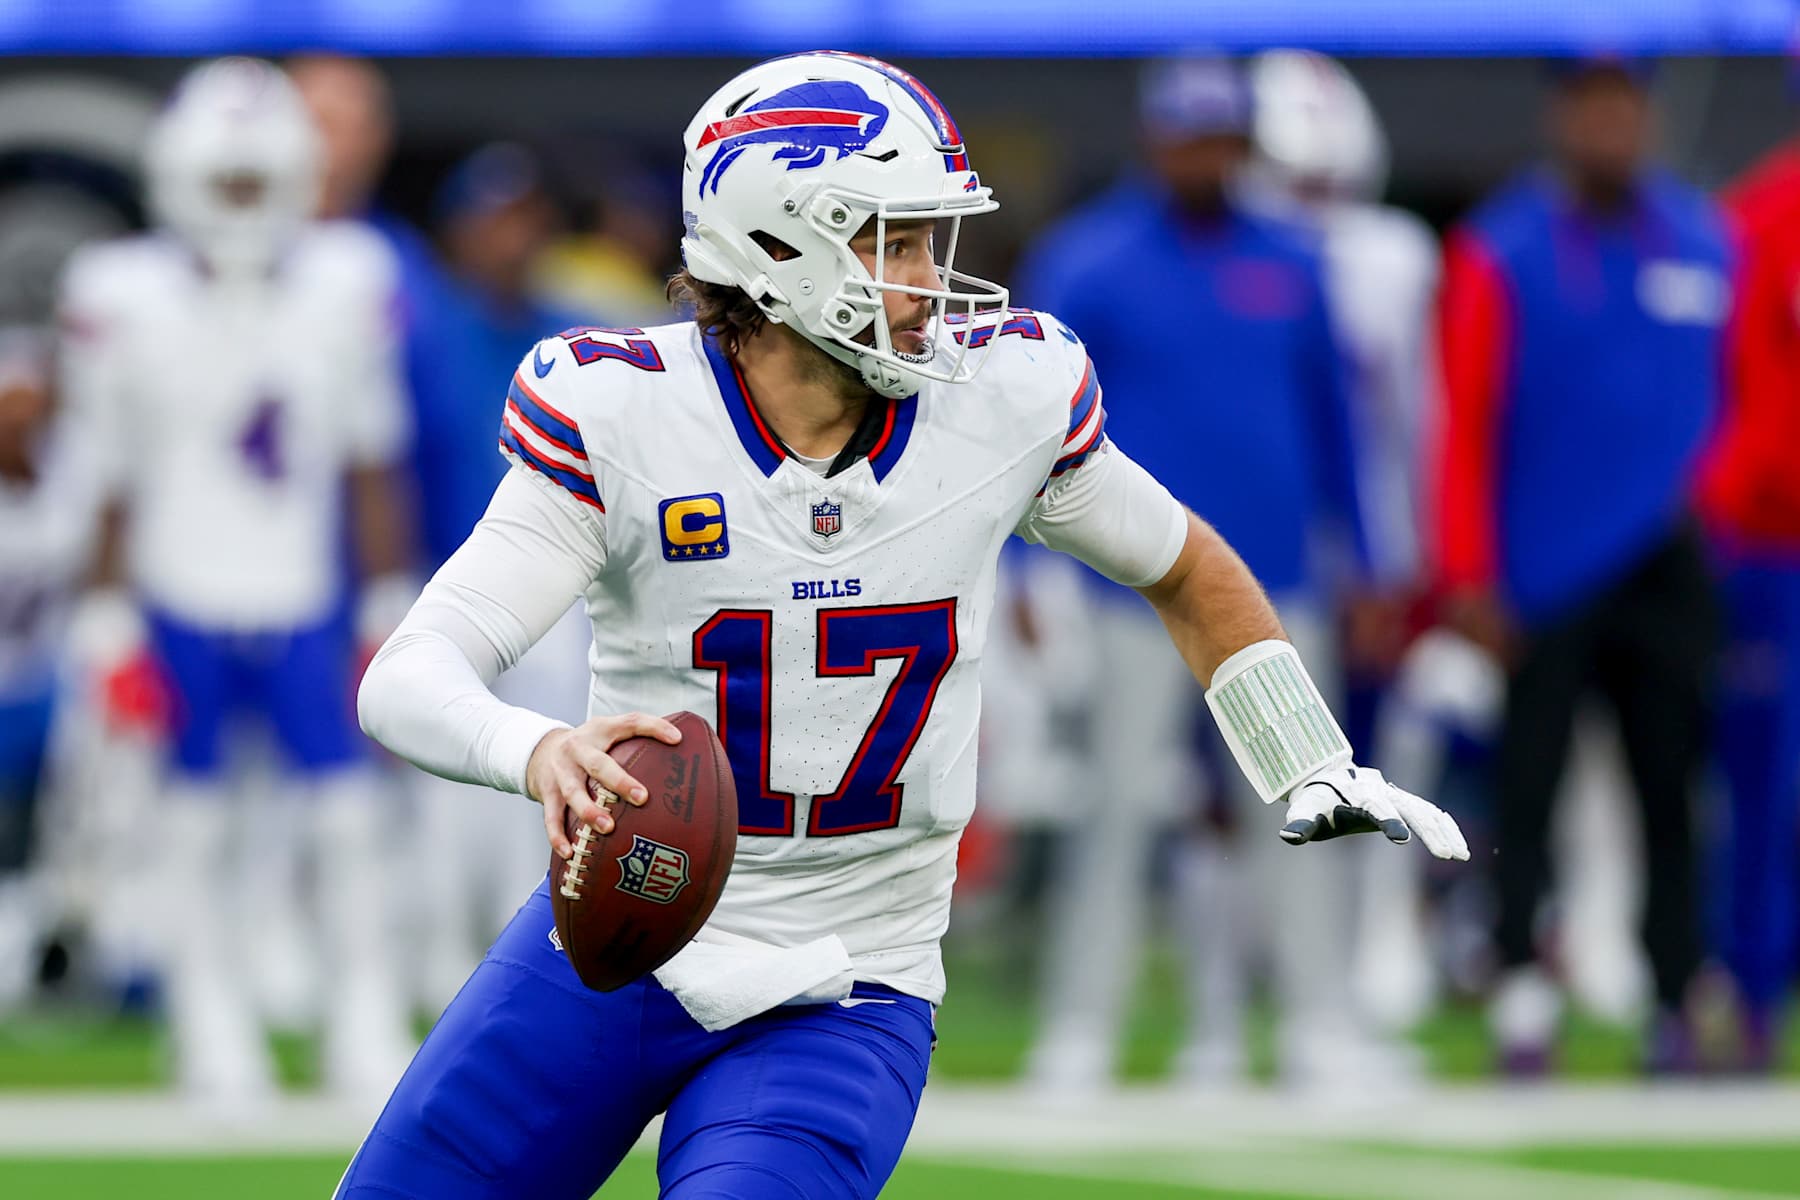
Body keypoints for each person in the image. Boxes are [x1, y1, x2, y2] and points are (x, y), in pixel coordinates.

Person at [345, 51, 1467, 1199]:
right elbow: (408, 675)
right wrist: (534, 750)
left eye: (932, 239)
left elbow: (1186, 566)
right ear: (777, 247)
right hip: (620, 932)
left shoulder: (1000, 404)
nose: (933, 280)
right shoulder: (627, 412)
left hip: (846, 983)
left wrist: (1304, 756)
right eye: (895, 241)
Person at [56, 57, 417, 1105]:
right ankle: (208, 1021)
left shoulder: (349, 277)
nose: (245, 204)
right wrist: (105, 611)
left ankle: (364, 1014)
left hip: (304, 594)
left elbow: (371, 457)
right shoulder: (118, 292)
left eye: (260, 181)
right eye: (229, 182)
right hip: (177, 593)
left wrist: (388, 595)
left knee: (348, 818)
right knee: (190, 823)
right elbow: (107, 474)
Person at [1017, 55, 1380, 1092]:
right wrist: (1028, 573)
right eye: (1190, 136)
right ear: (1155, 139)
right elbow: (1024, 421)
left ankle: (1319, 1022)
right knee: (1117, 808)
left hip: (1273, 586)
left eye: (1222, 138)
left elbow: (1336, 426)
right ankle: (1081, 1027)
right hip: (1130, 585)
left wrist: (1363, 560)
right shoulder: (1090, 261)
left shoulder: (1294, 260)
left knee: (1305, 799)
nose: (1205, 156)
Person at [1433, 56, 1728, 1073]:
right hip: (1542, 566)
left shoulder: (1702, 240)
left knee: (1670, 790)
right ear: (1563, 120)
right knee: (1528, 787)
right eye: (1593, 108)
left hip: (1666, 556)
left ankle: (1674, 993)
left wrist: (1719, 521)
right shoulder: (1501, 249)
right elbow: (1464, 416)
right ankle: (1522, 983)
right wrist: (1469, 569)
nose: (1611, 126)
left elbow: (1732, 398)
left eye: (1625, 108)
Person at [1246, 48, 1445, 1033]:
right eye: (1299, 184)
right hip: (1258, 555)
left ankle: (1366, 967)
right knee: (1241, 784)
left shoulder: (1395, 257)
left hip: (1366, 564)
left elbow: (1418, 420)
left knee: (1370, 765)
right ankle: (1241, 987)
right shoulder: (1242, 262)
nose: (1316, 206)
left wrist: (1408, 556)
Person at [1698, 118, 1800, 1070]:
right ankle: (1751, 990)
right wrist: (1730, 508)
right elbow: (1721, 387)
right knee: (1762, 783)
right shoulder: (1756, 218)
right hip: (1776, 546)